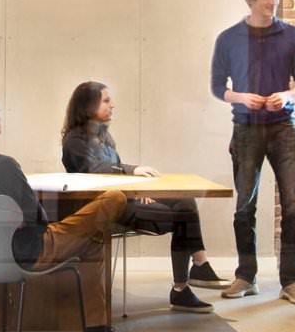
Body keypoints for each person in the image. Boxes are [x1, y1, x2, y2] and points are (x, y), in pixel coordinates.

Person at [0, 89, 131, 332]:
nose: (0, 114)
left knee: (92, 240)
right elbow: (37, 218)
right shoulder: (5, 166)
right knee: (114, 199)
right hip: (29, 252)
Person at [60, 81, 223, 312]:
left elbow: (113, 166)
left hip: (124, 198)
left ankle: (199, 264)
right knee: (184, 217)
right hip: (108, 208)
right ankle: (183, 287)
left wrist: (138, 186)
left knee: (185, 199)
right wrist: (132, 177)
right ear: (88, 105)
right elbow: (95, 171)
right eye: (106, 100)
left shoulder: (102, 135)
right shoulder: (75, 140)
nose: (112, 105)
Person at [208, 0, 295, 305]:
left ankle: (290, 281)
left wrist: (287, 94)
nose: (273, 2)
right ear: (250, 0)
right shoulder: (229, 39)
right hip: (246, 129)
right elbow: (216, 86)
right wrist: (239, 97)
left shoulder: (292, 35)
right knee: (244, 206)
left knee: (293, 206)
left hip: (283, 128)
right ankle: (246, 276)